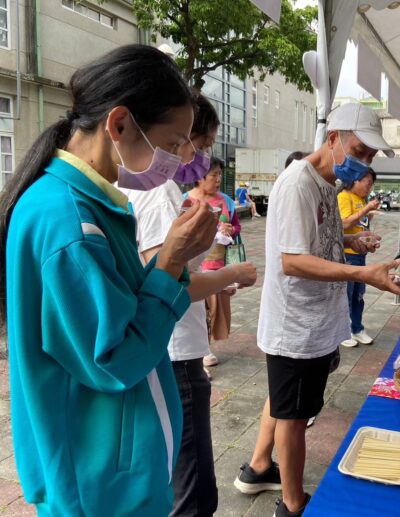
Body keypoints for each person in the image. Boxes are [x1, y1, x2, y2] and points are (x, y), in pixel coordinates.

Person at [0, 45, 220, 515]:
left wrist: (170, 265)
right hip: (100, 483)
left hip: (111, 470)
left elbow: (115, 308)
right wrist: (170, 262)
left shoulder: (89, 204)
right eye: (174, 141)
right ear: (119, 124)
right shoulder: (70, 223)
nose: (182, 158)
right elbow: (113, 359)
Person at [233, 103, 400, 517]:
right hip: (295, 324)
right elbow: (292, 260)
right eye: (360, 151)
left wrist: (352, 244)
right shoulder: (298, 185)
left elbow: (318, 244)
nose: (364, 163)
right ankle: (291, 505)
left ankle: (259, 468)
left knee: (288, 404)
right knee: (294, 419)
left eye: (370, 157)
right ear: (333, 139)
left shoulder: (328, 186)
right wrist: (361, 274)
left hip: (315, 322)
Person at [120, 94, 257, 516]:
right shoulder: (158, 191)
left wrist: (214, 280)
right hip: (176, 351)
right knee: (193, 489)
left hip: (168, 346)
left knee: (181, 476)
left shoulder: (142, 187)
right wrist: (231, 275)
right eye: (200, 143)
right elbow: (168, 280)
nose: (201, 157)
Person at [185, 160, 242, 363]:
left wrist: (230, 230)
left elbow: (236, 226)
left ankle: (206, 347)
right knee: (199, 309)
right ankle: (202, 350)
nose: (218, 179)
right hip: (195, 263)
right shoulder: (185, 200)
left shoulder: (226, 201)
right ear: (200, 177)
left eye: (220, 174)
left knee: (216, 309)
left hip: (219, 262)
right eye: (214, 175)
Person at [338, 168, 380, 347]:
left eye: (371, 185)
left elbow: (359, 226)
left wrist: (369, 236)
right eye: (367, 184)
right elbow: (345, 223)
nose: (369, 189)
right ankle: (343, 332)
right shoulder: (344, 196)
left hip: (360, 255)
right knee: (345, 295)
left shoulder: (361, 200)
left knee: (359, 295)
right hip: (347, 255)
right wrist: (367, 209)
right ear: (355, 180)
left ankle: (357, 329)